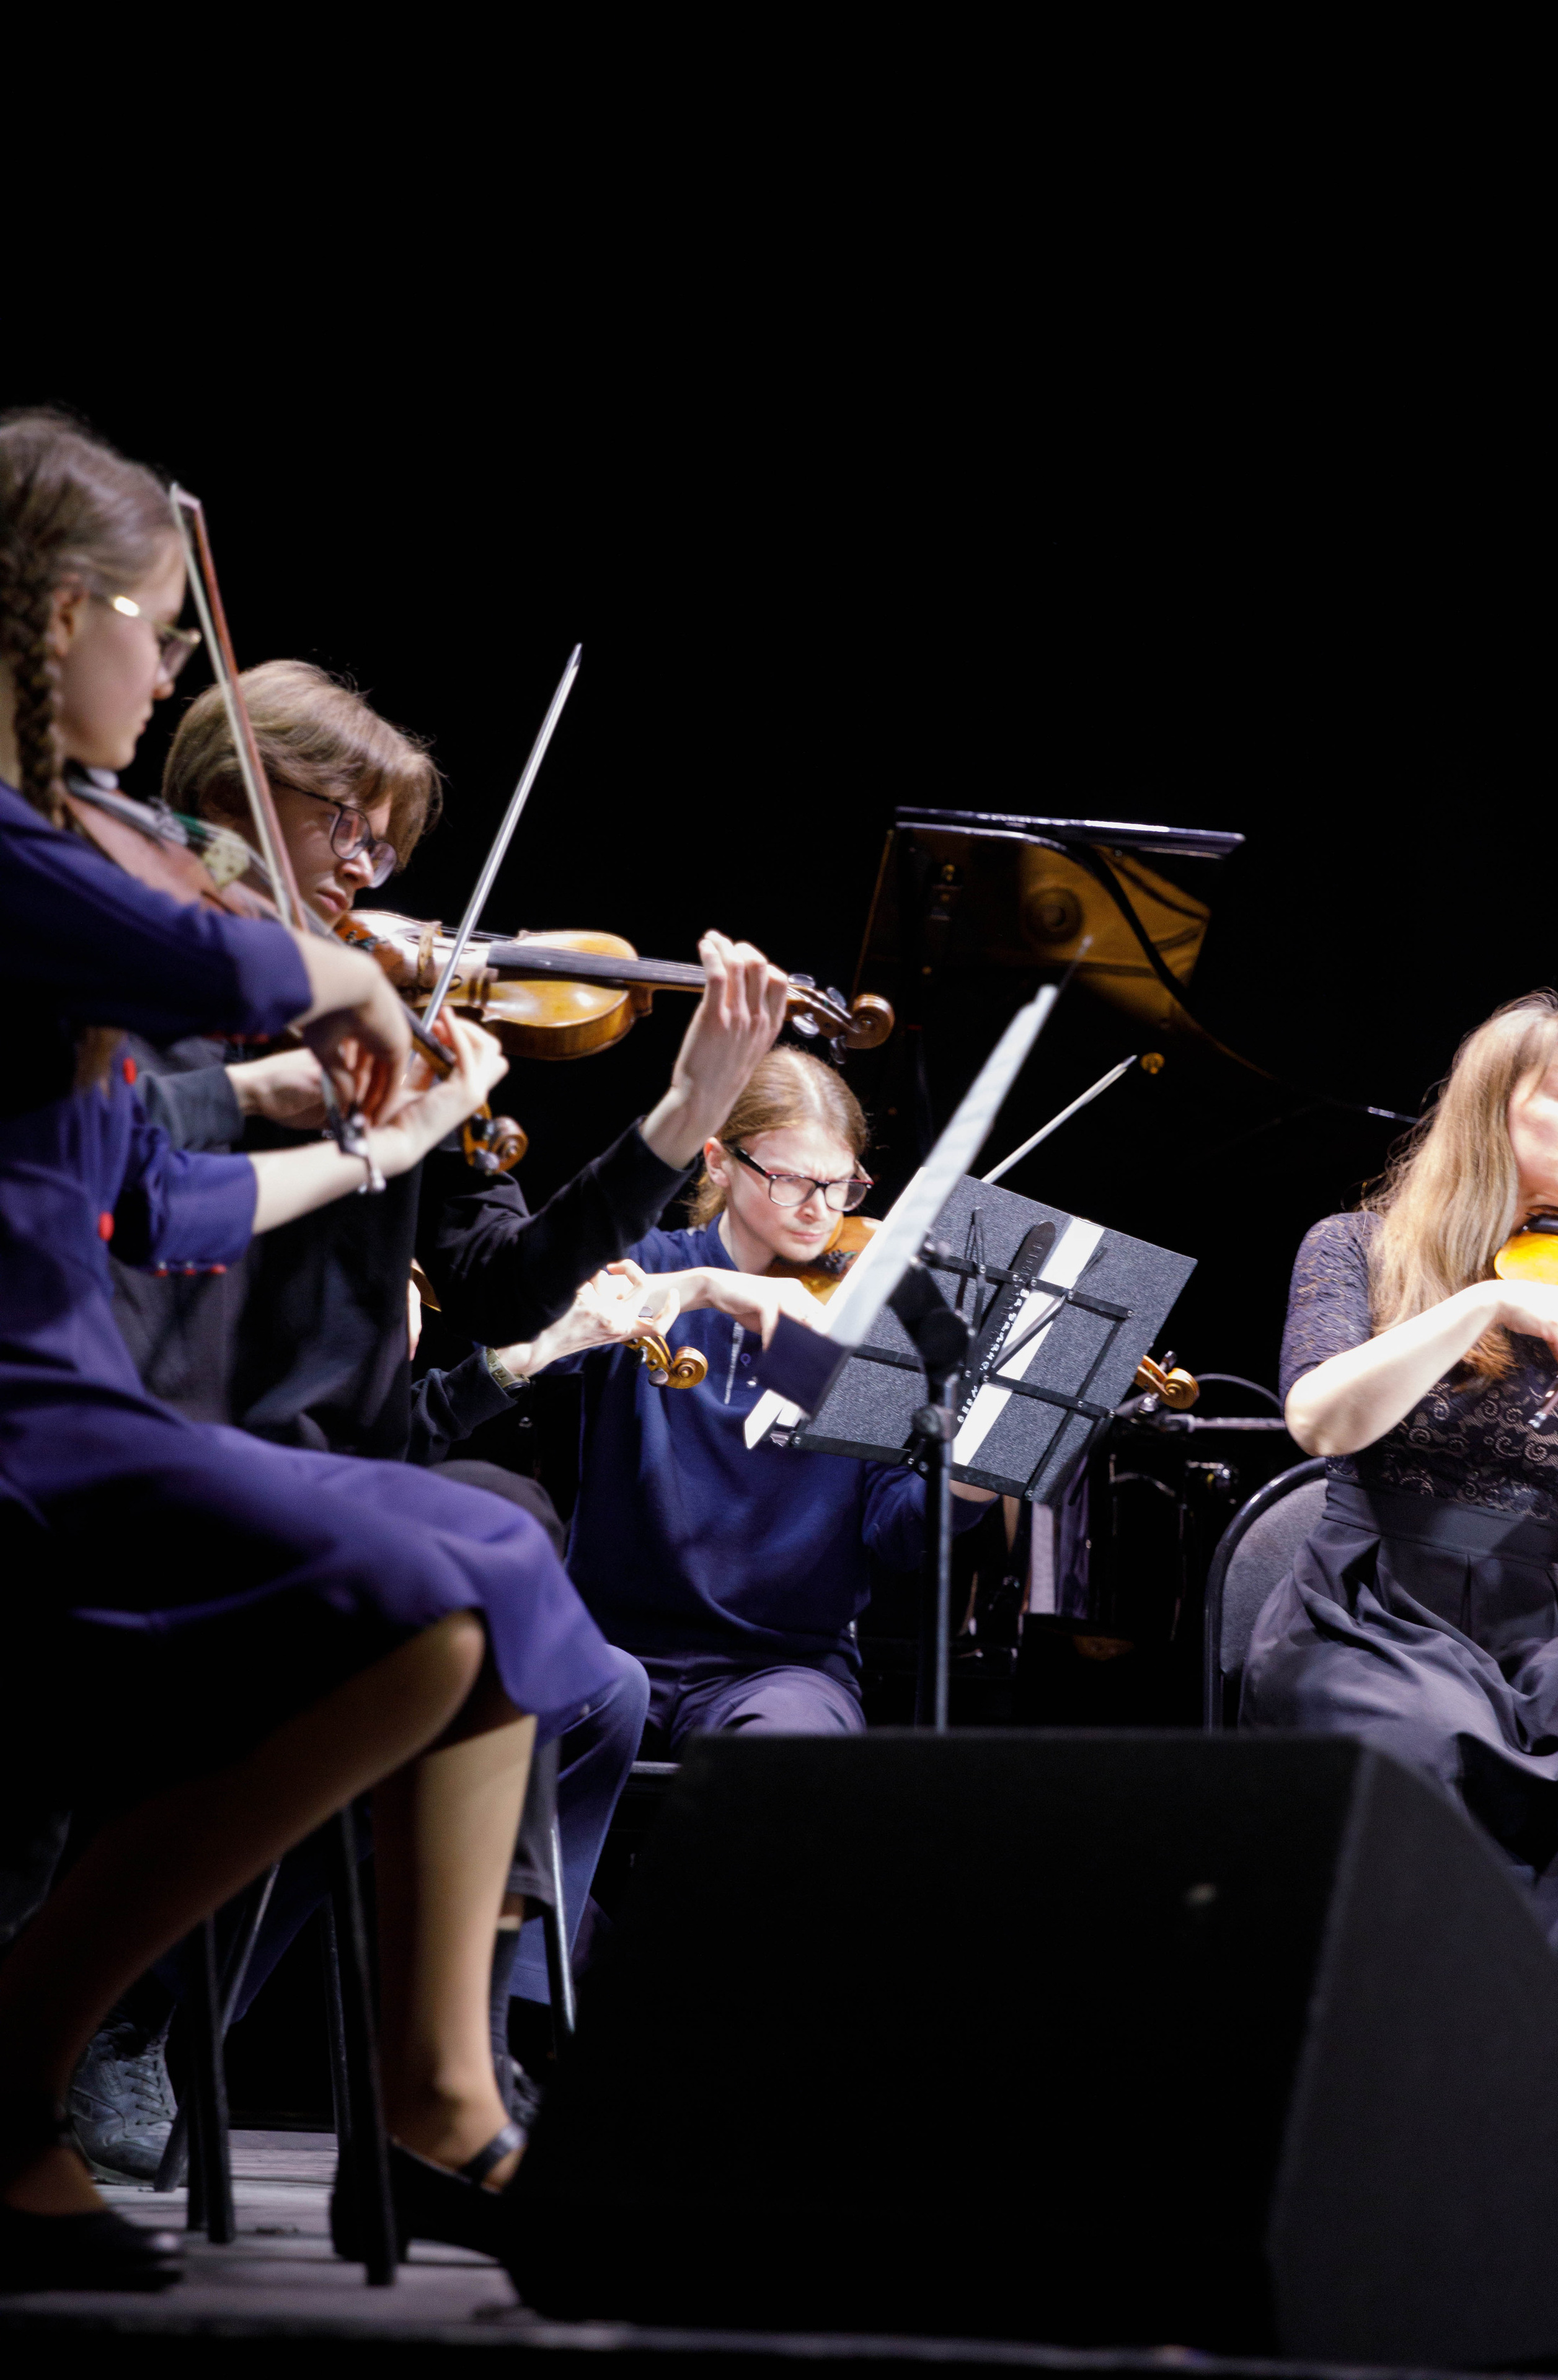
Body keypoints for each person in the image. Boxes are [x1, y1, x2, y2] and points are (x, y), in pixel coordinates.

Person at [0, 408, 625, 2290]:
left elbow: (145, 1210)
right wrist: (329, 985)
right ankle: (21, 2050)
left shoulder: (85, 860)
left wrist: (318, 1111)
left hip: (74, 1396)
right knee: (415, 1591)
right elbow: (188, 957)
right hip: (29, 1425)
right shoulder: (39, 861)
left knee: (491, 1557)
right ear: (52, 620)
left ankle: (444, 2095)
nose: (172, 661)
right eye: (160, 626)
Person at [62, 653, 783, 2180]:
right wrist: (350, 1116)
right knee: (474, 1605)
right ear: (227, 797)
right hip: (185, 1438)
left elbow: (509, 1279)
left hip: (348, 1457)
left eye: (389, 844)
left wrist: (684, 1113)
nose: (374, 878)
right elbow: (139, 1207)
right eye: (346, 825)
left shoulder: (388, 1013)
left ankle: (410, 2026)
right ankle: (141, 2020)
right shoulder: (172, 1004)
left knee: (575, 1669)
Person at [500, 1046, 996, 1779]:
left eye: (840, 1186)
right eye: (791, 1179)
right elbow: (523, 1337)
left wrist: (968, 1485)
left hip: (786, 1666)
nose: (818, 1211)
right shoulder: (647, 1264)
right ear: (719, 1162)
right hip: (605, 1644)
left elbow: (892, 1531)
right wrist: (700, 1288)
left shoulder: (870, 1318)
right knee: (523, 1764)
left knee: (778, 1768)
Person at [1242, 991, 1558, 1973]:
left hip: (1539, 1629)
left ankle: (1544, 2060)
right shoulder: (1359, 1249)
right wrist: (1482, 1300)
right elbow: (1319, 1421)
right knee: (1430, 1744)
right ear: (1491, 1112)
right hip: (1372, 1613)